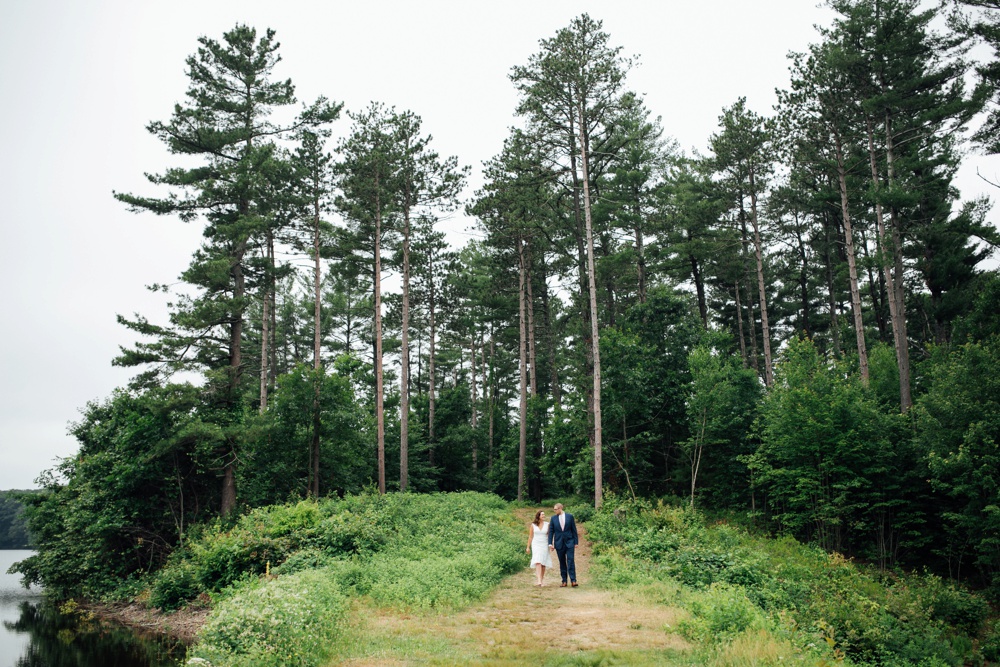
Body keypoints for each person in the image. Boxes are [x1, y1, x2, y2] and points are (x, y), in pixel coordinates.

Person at [548, 503, 579, 587]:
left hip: (569, 542)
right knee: (562, 562)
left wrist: (576, 542)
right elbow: (551, 531)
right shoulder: (553, 518)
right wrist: (550, 543)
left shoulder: (570, 517)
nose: (554, 511)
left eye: (556, 509)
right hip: (559, 543)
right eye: (554, 509)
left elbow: (574, 530)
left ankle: (573, 580)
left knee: (570, 561)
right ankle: (564, 581)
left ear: (560, 508)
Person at [526, 510, 553, 586]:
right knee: (538, 561)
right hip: (536, 544)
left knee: (543, 562)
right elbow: (530, 537)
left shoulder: (547, 525)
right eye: (542, 515)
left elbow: (549, 536)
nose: (544, 516)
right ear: (538, 516)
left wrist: (551, 545)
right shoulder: (533, 525)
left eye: (544, 514)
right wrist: (528, 547)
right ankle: (539, 581)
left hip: (544, 544)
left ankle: (541, 579)